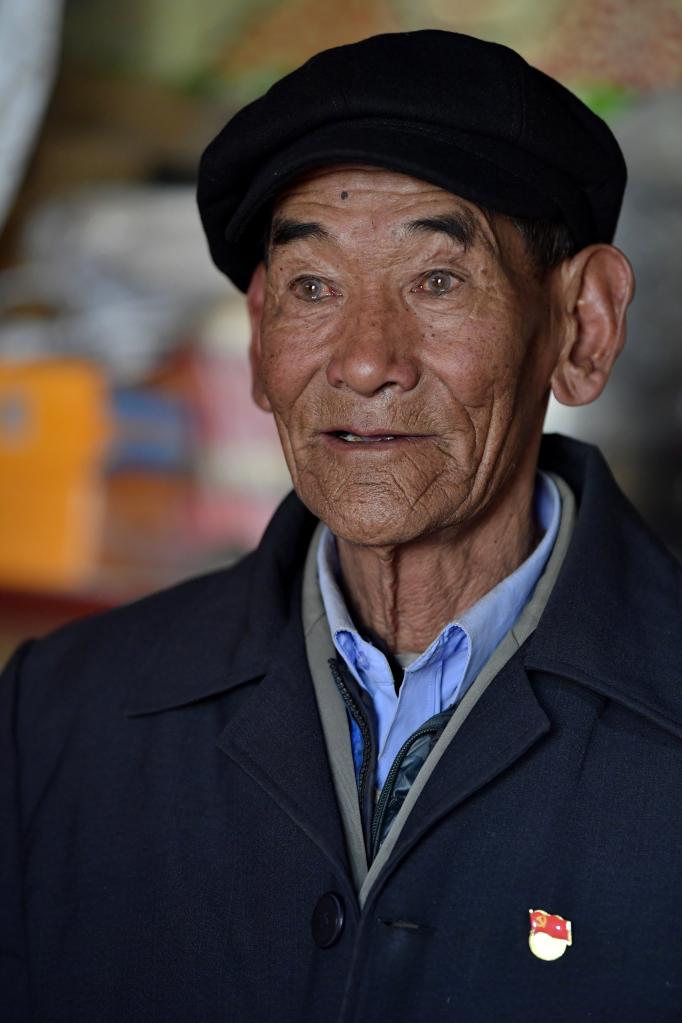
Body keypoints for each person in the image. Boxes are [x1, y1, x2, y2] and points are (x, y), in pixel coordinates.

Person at [1, 30, 681, 1023]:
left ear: (582, 325)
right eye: (312, 288)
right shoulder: (61, 719)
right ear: (259, 337)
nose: (364, 361)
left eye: (437, 280)